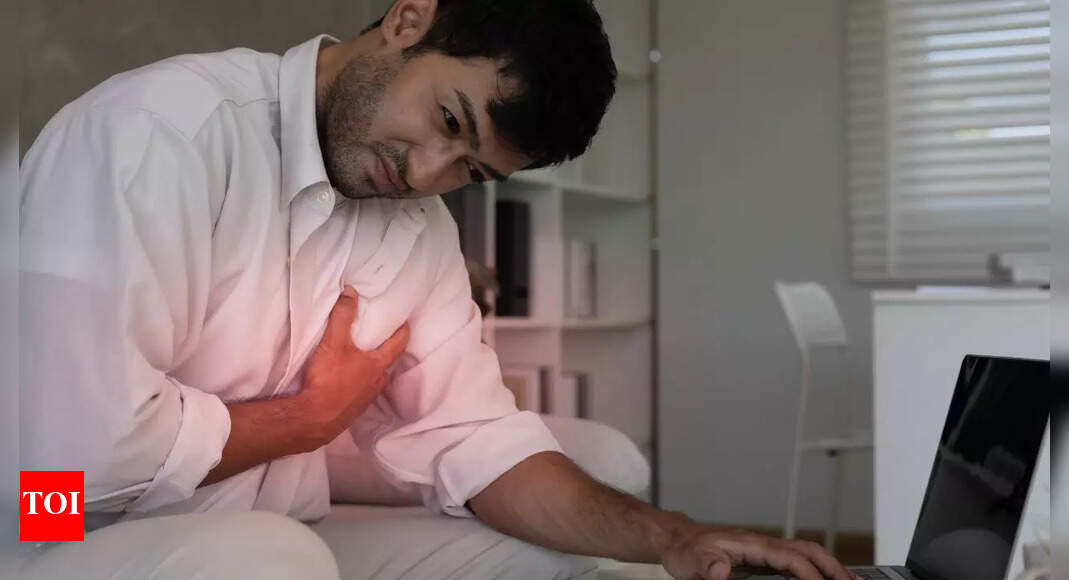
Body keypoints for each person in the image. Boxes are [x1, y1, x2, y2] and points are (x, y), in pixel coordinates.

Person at [19, 1, 855, 578]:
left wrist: (675, 537)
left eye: (470, 170)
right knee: (273, 559)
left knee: (554, 553)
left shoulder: (414, 222)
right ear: (408, 19)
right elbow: (76, 458)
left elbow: (475, 438)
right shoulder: (158, 134)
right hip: (43, 518)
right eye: (449, 120)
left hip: (255, 520)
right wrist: (309, 420)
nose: (425, 174)